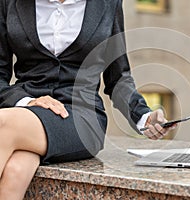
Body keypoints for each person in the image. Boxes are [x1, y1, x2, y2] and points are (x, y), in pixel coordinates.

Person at [0, 0, 175, 199]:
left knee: (2, 122)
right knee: (15, 171)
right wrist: (25, 101)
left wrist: (142, 115)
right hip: (25, 112)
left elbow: (118, 77)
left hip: (82, 116)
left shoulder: (108, 4)